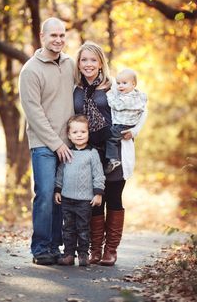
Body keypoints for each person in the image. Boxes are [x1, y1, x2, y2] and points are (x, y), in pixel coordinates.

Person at [73, 41, 147, 266]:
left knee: (113, 198)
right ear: (78, 63)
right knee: (95, 200)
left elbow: (142, 105)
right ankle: (95, 249)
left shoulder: (113, 85)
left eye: (93, 60)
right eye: (84, 59)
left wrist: (134, 131)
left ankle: (110, 250)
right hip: (87, 153)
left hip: (114, 151)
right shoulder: (75, 88)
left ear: (100, 63)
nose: (88, 64)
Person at [19, 17, 75, 265]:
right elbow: (34, 113)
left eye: (62, 35)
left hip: (70, 144)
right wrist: (57, 143)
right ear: (42, 37)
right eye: (53, 35)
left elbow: (90, 84)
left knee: (60, 196)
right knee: (44, 193)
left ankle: (55, 245)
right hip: (43, 143)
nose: (58, 40)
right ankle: (40, 248)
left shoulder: (70, 64)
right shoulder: (31, 70)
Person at [54, 115, 105, 267]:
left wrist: (98, 193)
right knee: (68, 228)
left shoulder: (92, 153)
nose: (79, 135)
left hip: (84, 200)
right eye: (75, 132)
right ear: (69, 135)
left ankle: (83, 255)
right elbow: (60, 173)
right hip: (67, 199)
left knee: (83, 228)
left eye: (83, 131)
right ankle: (69, 254)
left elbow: (98, 174)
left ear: (88, 133)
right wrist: (58, 190)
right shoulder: (67, 152)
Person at [104, 68, 147, 174]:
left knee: (110, 139)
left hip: (122, 126)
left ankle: (114, 160)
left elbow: (116, 105)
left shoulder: (127, 98)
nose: (120, 86)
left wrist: (109, 95)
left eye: (124, 83)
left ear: (133, 84)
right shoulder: (138, 95)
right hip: (128, 124)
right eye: (118, 83)